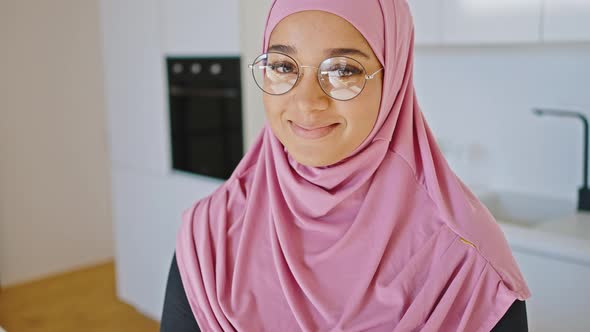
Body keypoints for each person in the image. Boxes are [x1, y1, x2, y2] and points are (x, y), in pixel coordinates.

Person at [161, 0, 532, 331]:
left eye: (342, 70)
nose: (307, 102)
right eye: (282, 66)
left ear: (394, 79)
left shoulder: (466, 261)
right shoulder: (210, 236)